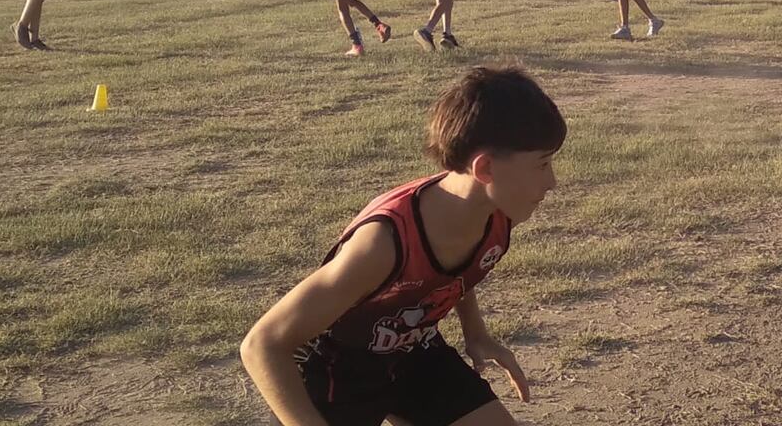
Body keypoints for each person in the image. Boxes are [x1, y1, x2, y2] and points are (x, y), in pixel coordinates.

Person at [241, 65, 567, 426]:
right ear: (485, 169)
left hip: (415, 352)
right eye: (542, 164)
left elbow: (452, 271)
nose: (552, 182)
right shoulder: (384, 243)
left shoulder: (494, 211)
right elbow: (262, 345)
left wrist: (476, 333)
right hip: (336, 369)